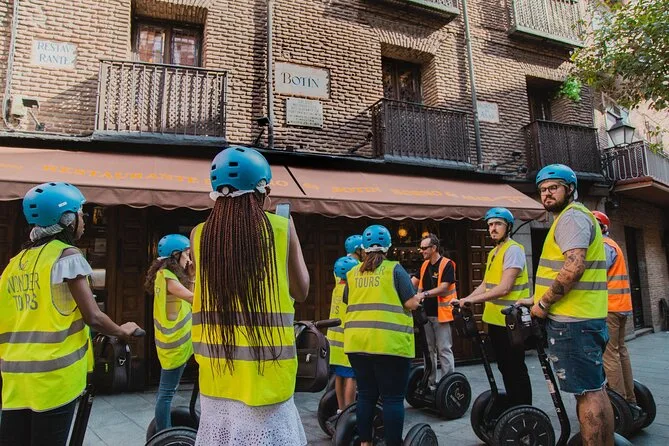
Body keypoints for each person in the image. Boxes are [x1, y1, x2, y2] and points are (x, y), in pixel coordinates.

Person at [0, 182, 140, 446]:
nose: (84, 220)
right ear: (67, 219)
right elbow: (93, 317)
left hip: (15, 380)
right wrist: (123, 331)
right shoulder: (66, 256)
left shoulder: (14, 264)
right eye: (80, 214)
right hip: (54, 380)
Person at [190, 146, 310, 446]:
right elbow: (301, 290)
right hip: (267, 378)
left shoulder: (199, 235)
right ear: (262, 191)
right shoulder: (281, 227)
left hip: (217, 377)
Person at [524, 164, 614, 446]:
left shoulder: (571, 218)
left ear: (570, 189)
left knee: (586, 394)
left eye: (554, 188)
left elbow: (573, 267)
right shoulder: (574, 217)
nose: (547, 194)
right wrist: (534, 297)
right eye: (542, 190)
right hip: (584, 318)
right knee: (595, 389)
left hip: (573, 322)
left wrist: (542, 304)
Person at [344, 224, 422, 446]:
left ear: (364, 248)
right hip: (390, 345)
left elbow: (348, 300)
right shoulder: (395, 269)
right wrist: (418, 298)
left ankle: (365, 443)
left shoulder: (352, 273)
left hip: (358, 344)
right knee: (392, 398)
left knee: (366, 395)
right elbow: (410, 303)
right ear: (388, 247)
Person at [459, 207, 532, 406]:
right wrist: (465, 299)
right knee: (504, 367)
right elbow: (486, 284)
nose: (493, 228)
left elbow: (504, 288)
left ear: (508, 227)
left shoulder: (513, 250)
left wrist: (473, 301)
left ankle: (523, 408)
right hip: (495, 321)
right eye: (490, 224)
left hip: (511, 322)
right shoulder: (493, 252)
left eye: (498, 224)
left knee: (515, 368)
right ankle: (513, 406)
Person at [145, 234, 195, 432]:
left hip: (178, 343)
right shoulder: (167, 277)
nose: (189, 259)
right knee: (166, 393)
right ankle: (164, 434)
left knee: (166, 392)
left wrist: (191, 276)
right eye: (187, 254)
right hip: (175, 345)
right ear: (176, 254)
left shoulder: (165, 275)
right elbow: (193, 298)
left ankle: (165, 431)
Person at [592, 210, 640, 414]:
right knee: (621, 352)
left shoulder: (603, 246)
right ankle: (630, 399)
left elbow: (596, 274)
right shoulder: (613, 245)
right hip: (621, 307)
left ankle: (619, 403)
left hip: (609, 308)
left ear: (602, 228)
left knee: (609, 355)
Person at [414, 233, 457, 390]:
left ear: (434, 248)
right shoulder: (424, 265)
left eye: (424, 248)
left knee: (444, 349)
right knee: (429, 350)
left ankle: (447, 385)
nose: (422, 251)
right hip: (426, 315)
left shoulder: (447, 264)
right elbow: (413, 282)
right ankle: (430, 383)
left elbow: (444, 287)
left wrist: (424, 294)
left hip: (442, 315)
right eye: (421, 248)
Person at [326, 256, 360, 421]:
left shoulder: (337, 287)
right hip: (347, 339)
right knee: (351, 376)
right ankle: (349, 412)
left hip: (333, 340)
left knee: (339, 376)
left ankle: (341, 410)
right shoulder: (351, 290)